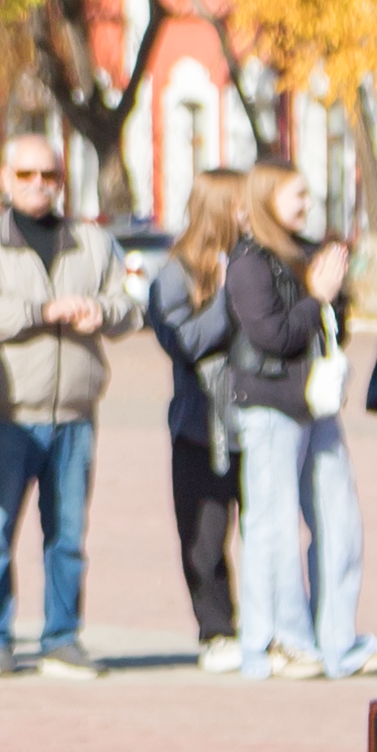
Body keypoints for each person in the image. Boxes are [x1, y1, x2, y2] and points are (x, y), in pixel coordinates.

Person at [0, 128, 118, 678]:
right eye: (26, 175)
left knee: (67, 535)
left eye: (49, 175)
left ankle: (62, 638)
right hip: (8, 413)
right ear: (5, 178)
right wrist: (46, 310)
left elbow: (128, 304)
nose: (39, 185)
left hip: (74, 414)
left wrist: (102, 311)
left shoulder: (90, 240)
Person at [218, 169, 377, 677]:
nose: (307, 202)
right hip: (268, 405)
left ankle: (337, 640)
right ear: (267, 200)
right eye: (297, 194)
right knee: (273, 525)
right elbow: (274, 335)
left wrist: (335, 293)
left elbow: (333, 325)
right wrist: (318, 297)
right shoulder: (248, 261)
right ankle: (279, 641)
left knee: (340, 517)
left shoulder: (304, 252)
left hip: (315, 404)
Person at [137, 172, 247, 658]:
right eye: (244, 205)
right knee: (204, 537)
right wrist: (230, 294)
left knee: (266, 531)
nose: (252, 213)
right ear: (221, 209)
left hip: (262, 420)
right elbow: (187, 341)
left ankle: (270, 627)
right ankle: (217, 630)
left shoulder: (260, 260)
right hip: (202, 425)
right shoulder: (175, 272)